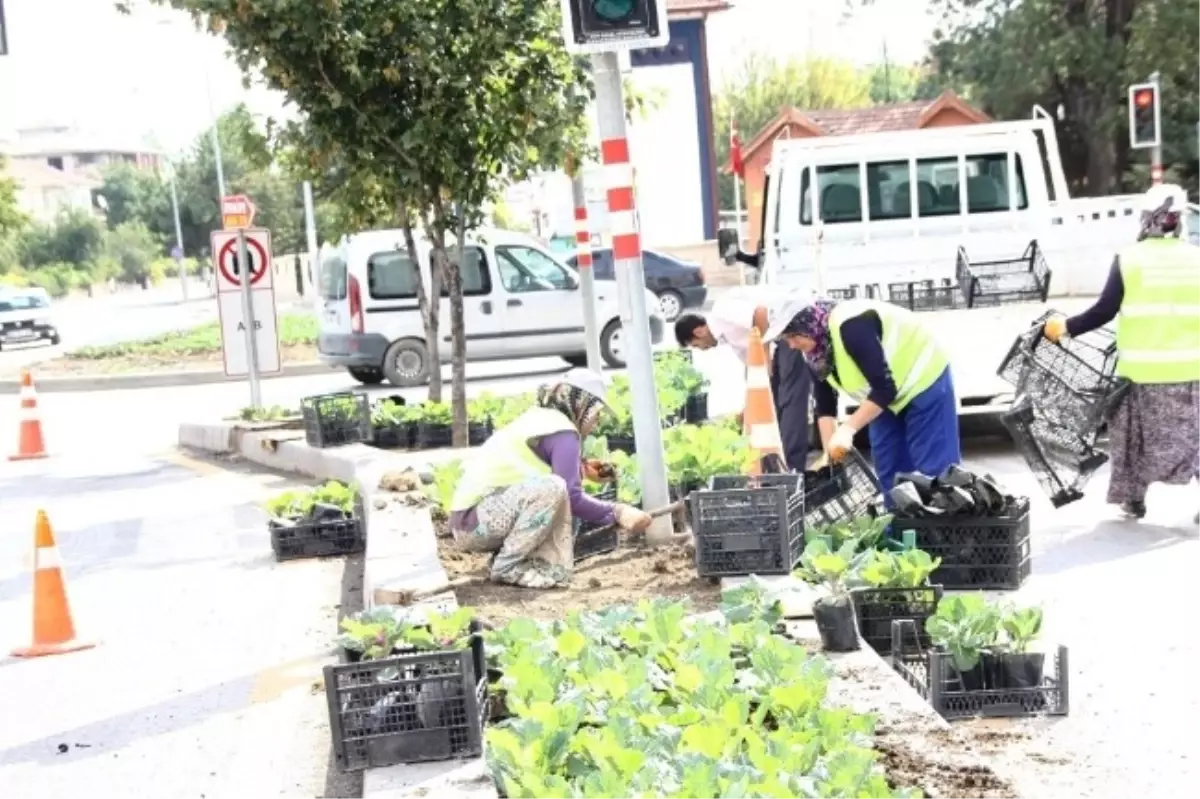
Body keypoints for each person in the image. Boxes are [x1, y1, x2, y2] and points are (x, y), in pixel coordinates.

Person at [1042, 183, 1200, 522]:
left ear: (1147, 219)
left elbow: (1104, 311)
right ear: (1180, 221)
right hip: (1192, 372)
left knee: (1132, 438)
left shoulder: (1129, 258)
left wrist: (1064, 328)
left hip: (1141, 375)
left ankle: (1134, 499)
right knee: (1194, 438)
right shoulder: (1197, 258)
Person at [447, 368, 653, 588]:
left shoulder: (542, 418)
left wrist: (581, 469)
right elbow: (571, 496)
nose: (598, 420)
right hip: (476, 523)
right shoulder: (564, 433)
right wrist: (617, 512)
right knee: (555, 489)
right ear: (582, 405)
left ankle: (512, 559)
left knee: (555, 491)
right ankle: (507, 567)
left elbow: (528, 471)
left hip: (470, 520)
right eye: (596, 411)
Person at [763, 296, 960, 500]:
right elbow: (825, 403)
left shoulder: (851, 326)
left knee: (936, 469)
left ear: (808, 324)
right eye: (786, 339)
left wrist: (848, 429)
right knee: (889, 470)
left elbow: (884, 389)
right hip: (883, 398)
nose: (792, 345)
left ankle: (946, 526)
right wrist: (830, 455)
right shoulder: (815, 351)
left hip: (924, 377)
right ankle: (900, 529)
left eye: (794, 336)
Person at [674, 289, 812, 469]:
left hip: (788, 326)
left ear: (699, 331)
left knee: (790, 400)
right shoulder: (730, 338)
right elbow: (752, 370)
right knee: (774, 401)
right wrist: (748, 406)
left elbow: (761, 313)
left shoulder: (722, 311)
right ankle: (781, 465)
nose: (703, 349)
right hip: (776, 341)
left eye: (696, 345)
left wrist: (763, 352)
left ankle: (794, 469)